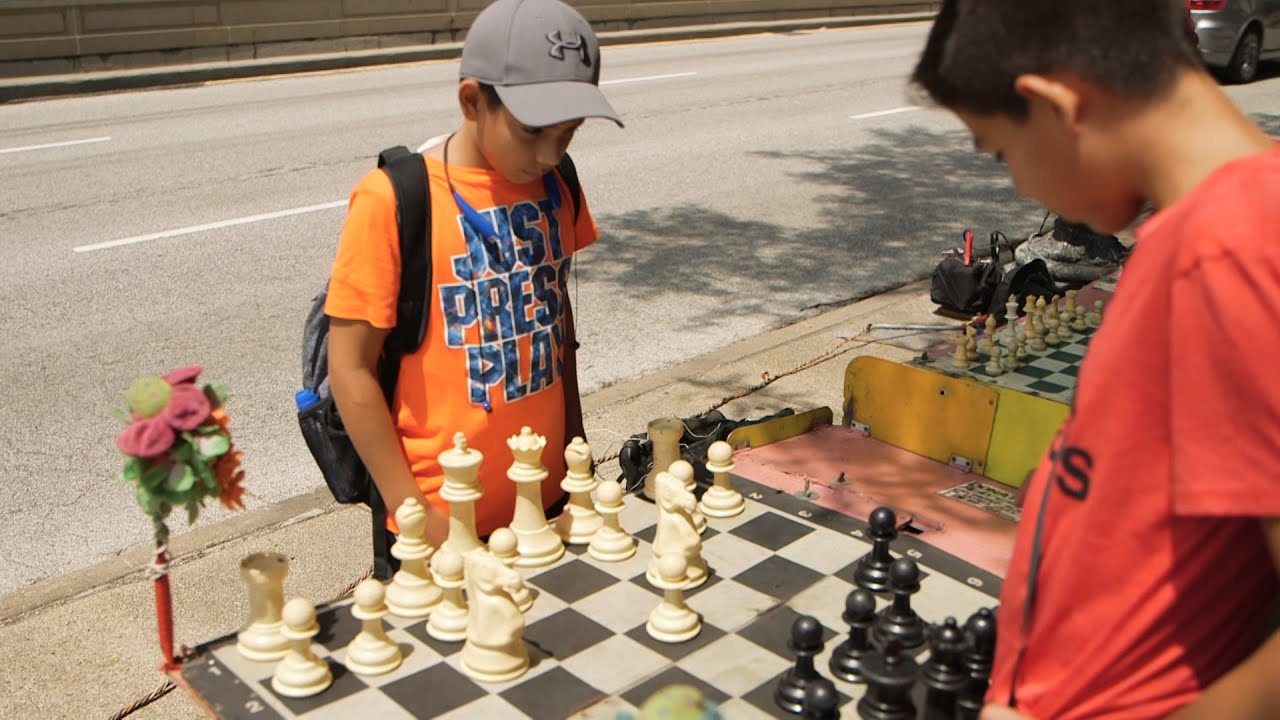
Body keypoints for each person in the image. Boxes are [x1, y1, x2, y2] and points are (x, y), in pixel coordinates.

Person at [910, 2, 1280, 718]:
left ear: (1057, 106)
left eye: (998, 151)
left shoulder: (1239, 247)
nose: (1017, 184)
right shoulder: (1199, 234)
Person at [325, 0, 622, 547]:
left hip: (548, 500)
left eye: (570, 131)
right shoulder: (394, 199)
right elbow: (349, 368)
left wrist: (575, 450)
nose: (552, 153)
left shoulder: (557, 184)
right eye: (533, 131)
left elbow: (555, 321)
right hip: (441, 522)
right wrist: (413, 511)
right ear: (472, 100)